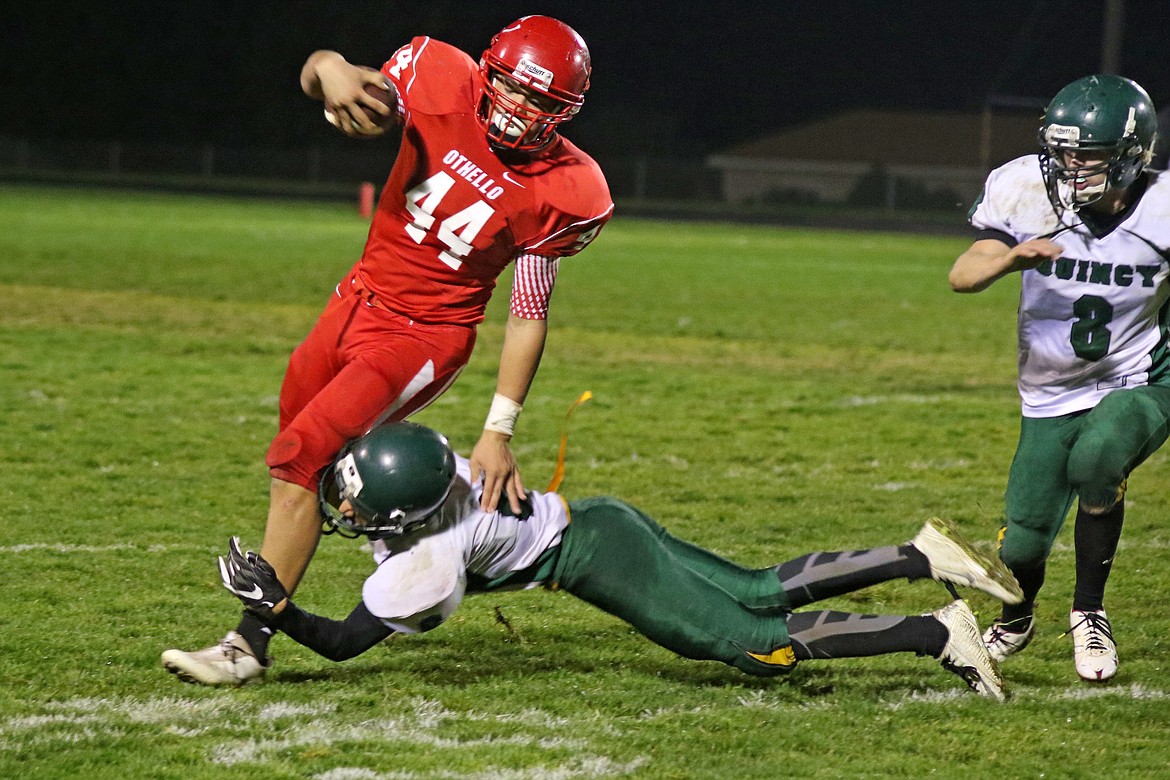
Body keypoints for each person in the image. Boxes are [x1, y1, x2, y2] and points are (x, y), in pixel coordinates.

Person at [161, 17, 613, 684]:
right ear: (488, 74)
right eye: (513, 90)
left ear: (564, 112)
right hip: (354, 298)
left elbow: (528, 314)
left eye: (540, 102)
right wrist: (329, 64)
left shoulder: (567, 189)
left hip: (422, 335)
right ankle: (423, 548)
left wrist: (500, 428)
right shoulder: (437, 74)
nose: (520, 109)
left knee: (300, 456)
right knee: (300, 461)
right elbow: (328, 76)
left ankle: (248, 644)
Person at [165, 421, 1024, 699]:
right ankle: (920, 554)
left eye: (356, 504)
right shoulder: (436, 467)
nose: (343, 510)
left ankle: (934, 632)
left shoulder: (423, 562)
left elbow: (349, 641)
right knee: (759, 589)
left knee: (752, 646)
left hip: (594, 557)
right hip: (603, 518)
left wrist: (276, 609)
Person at [949, 74, 1168, 681]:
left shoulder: (1164, 204)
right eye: (1062, 152)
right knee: (1020, 545)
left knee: (1099, 457)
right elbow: (963, 276)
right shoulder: (1023, 188)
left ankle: (1089, 613)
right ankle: (1016, 619)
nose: (1070, 167)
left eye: (1088, 155)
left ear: (1130, 153)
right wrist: (1012, 256)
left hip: (1139, 375)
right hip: (1049, 390)